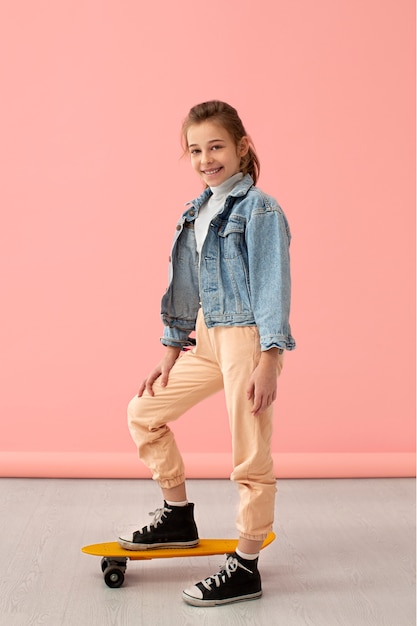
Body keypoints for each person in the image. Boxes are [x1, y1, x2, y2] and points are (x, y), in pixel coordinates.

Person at [118, 100, 296, 607]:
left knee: (249, 453)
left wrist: (269, 358)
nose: (205, 158)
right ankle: (178, 516)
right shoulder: (197, 210)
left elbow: (272, 288)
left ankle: (245, 566)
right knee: (143, 412)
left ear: (242, 147)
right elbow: (189, 284)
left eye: (216, 146)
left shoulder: (259, 209)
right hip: (207, 334)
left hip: (246, 338)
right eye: (195, 150)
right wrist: (173, 346)